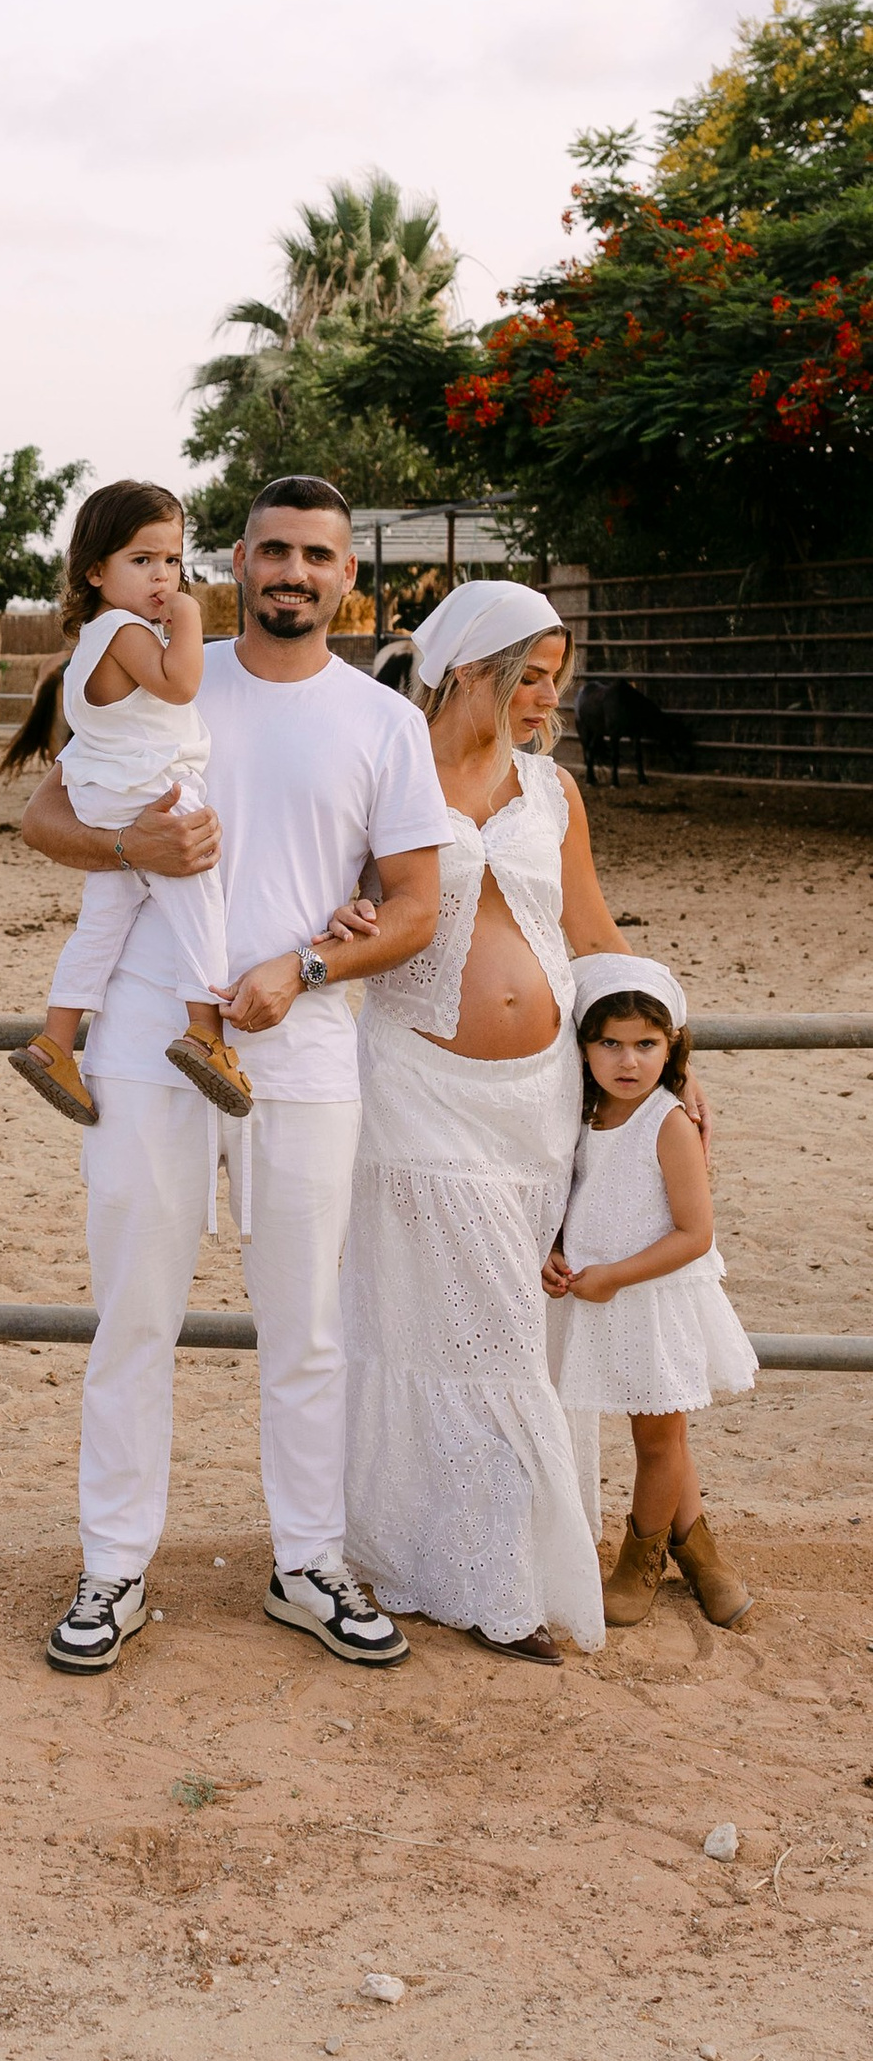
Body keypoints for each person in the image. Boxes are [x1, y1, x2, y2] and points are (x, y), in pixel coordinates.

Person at [13, 477, 448, 1676]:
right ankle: (112, 1567)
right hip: (145, 1044)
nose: (292, 572)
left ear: (346, 575)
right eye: (271, 551)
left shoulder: (382, 722)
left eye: (316, 555)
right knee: (134, 1317)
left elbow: (415, 905)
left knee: (306, 1327)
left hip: (301, 1054)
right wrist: (128, 845)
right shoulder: (158, 673)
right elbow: (43, 817)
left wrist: (308, 966)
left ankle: (307, 1564)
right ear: (236, 565)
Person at [334, 582, 640, 1663]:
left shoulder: (551, 790)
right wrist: (343, 915)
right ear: (471, 669)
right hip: (418, 1091)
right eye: (532, 676)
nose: (550, 697)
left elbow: (591, 929)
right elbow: (333, 902)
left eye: (557, 677)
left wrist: (667, 1050)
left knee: (517, 1326)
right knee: (465, 1330)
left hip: (538, 1105)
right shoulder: (385, 769)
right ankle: (497, 1584)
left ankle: (477, 1559)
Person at [9, 480, 252, 1131]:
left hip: (108, 798)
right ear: (96, 570)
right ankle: (205, 1033)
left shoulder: (89, 641)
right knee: (200, 906)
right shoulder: (124, 630)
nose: (162, 577)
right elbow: (181, 684)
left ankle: (56, 1041)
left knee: (101, 925)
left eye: (172, 560)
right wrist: (191, 617)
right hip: (156, 791)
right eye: (142, 560)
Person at [546, 959, 756, 1630]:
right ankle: (700, 1551)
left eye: (645, 1044)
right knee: (658, 1427)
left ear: (672, 1048)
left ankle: (642, 1557)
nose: (627, 1061)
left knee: (659, 1440)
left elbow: (695, 1233)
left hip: (653, 1301)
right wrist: (555, 1251)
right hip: (597, 1297)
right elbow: (573, 1199)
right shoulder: (580, 1115)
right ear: (583, 1047)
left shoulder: (667, 1122)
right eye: (609, 1043)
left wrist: (614, 1274)